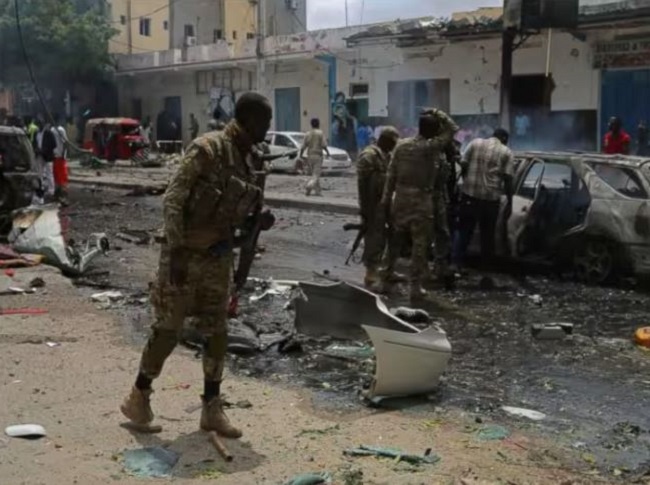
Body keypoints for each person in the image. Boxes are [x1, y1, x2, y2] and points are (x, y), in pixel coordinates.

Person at [120, 92, 273, 438]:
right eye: (265, 121)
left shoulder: (251, 160)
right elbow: (173, 199)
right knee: (168, 329)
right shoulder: (208, 149)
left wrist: (258, 220)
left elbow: (242, 212)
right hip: (185, 255)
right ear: (249, 119)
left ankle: (212, 409)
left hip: (218, 256)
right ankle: (138, 397)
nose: (268, 127)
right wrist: (175, 251)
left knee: (217, 332)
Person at [380, 108, 458, 299]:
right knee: (420, 245)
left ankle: (385, 276)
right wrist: (437, 112)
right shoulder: (430, 147)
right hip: (422, 201)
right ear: (433, 131)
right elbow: (452, 129)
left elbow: (391, 175)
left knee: (395, 242)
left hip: (401, 199)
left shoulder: (401, 146)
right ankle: (415, 286)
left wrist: (386, 200)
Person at [452, 128, 514, 268]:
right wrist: (510, 202)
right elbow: (508, 179)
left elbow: (463, 165)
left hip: (470, 196)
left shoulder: (475, 143)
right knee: (488, 236)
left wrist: (466, 182)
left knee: (464, 231)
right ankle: (486, 268)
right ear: (504, 139)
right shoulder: (506, 152)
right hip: (491, 200)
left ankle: (456, 263)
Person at [356, 126, 400, 288]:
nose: (394, 146)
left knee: (394, 235)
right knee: (374, 239)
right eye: (392, 143)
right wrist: (366, 210)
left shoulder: (387, 155)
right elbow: (363, 185)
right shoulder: (369, 155)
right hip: (373, 205)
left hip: (386, 201)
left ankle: (388, 270)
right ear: (385, 140)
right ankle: (370, 274)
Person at [300, 118, 330, 196]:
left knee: (314, 174)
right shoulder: (320, 133)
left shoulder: (307, 134)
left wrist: (300, 155)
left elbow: (303, 146)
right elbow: (324, 145)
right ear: (318, 124)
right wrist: (327, 152)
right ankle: (309, 186)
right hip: (318, 156)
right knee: (316, 175)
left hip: (310, 156)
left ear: (311, 124)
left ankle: (318, 191)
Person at [51, 115, 70, 204]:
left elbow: (66, 143)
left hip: (60, 156)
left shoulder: (60, 130)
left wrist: (63, 155)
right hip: (55, 157)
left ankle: (63, 195)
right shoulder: (52, 130)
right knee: (56, 176)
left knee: (61, 176)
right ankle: (58, 195)